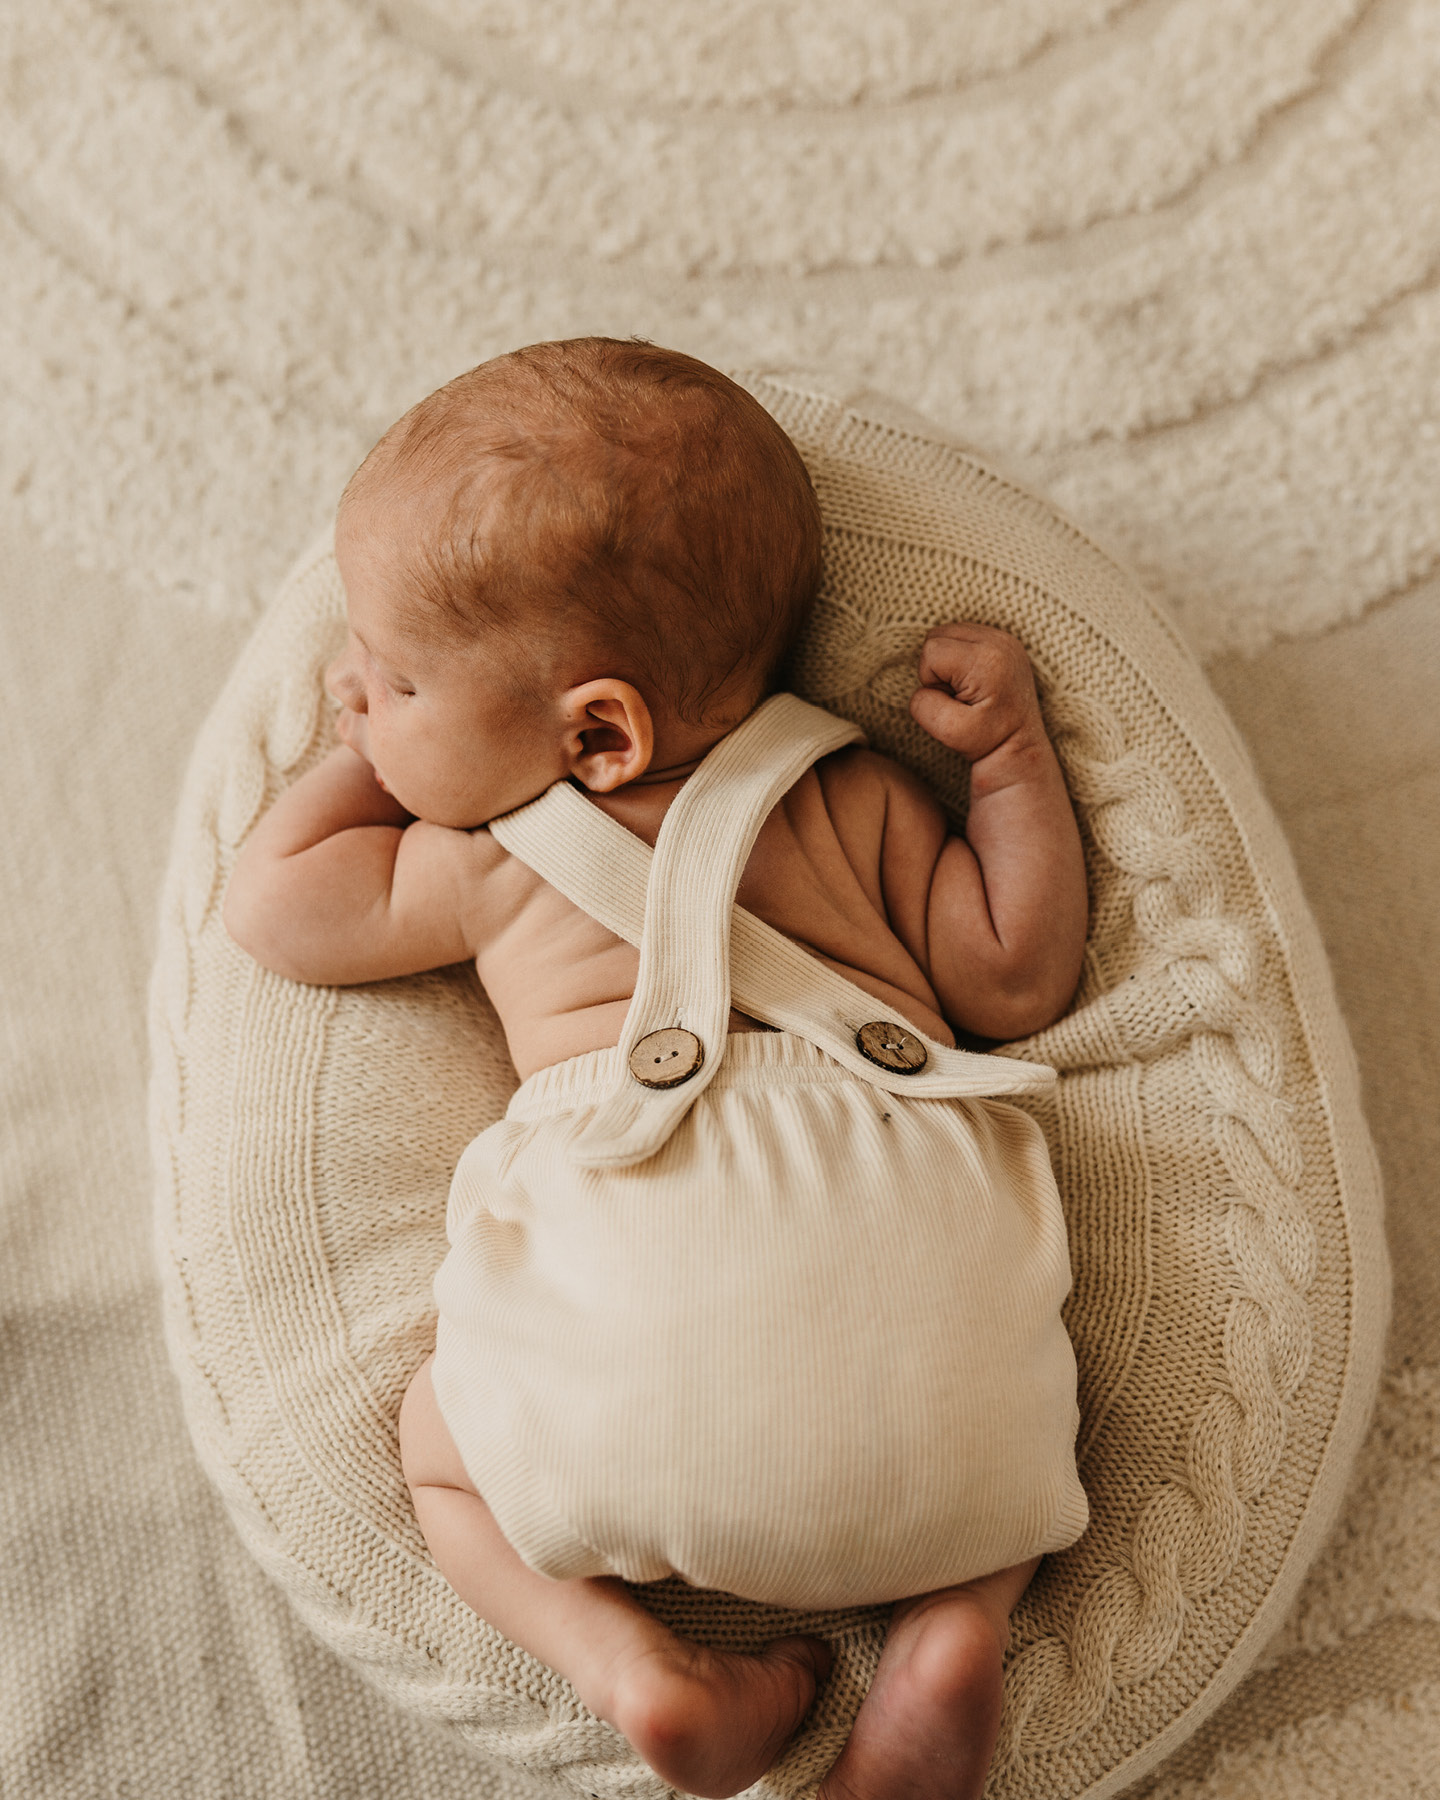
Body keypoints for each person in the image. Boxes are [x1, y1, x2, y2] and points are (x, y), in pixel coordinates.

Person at [223, 337, 1090, 1800]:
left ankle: (638, 1669)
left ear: (599, 735)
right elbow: (1015, 974)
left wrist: (374, 761)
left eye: (397, 679)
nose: (352, 687)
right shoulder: (862, 797)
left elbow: (277, 911)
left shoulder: (493, 862)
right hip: (899, 1235)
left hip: (634, 1255)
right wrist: (1011, 765)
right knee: (996, 1438)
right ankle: (954, 1624)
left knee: (441, 1456)